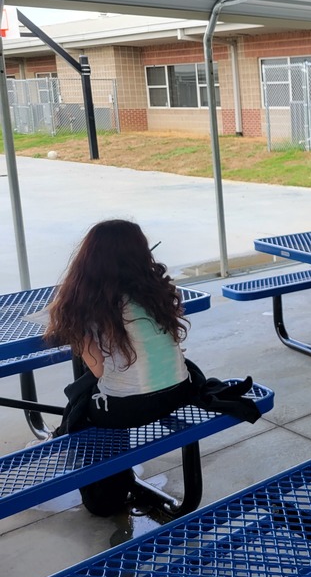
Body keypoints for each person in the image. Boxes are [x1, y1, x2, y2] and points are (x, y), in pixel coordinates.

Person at [44, 220, 197, 516]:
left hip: (128, 408)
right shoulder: (156, 293)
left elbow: (100, 373)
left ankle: (104, 499)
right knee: (94, 392)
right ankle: (117, 480)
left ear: (88, 258)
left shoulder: (91, 305)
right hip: (179, 391)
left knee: (82, 408)